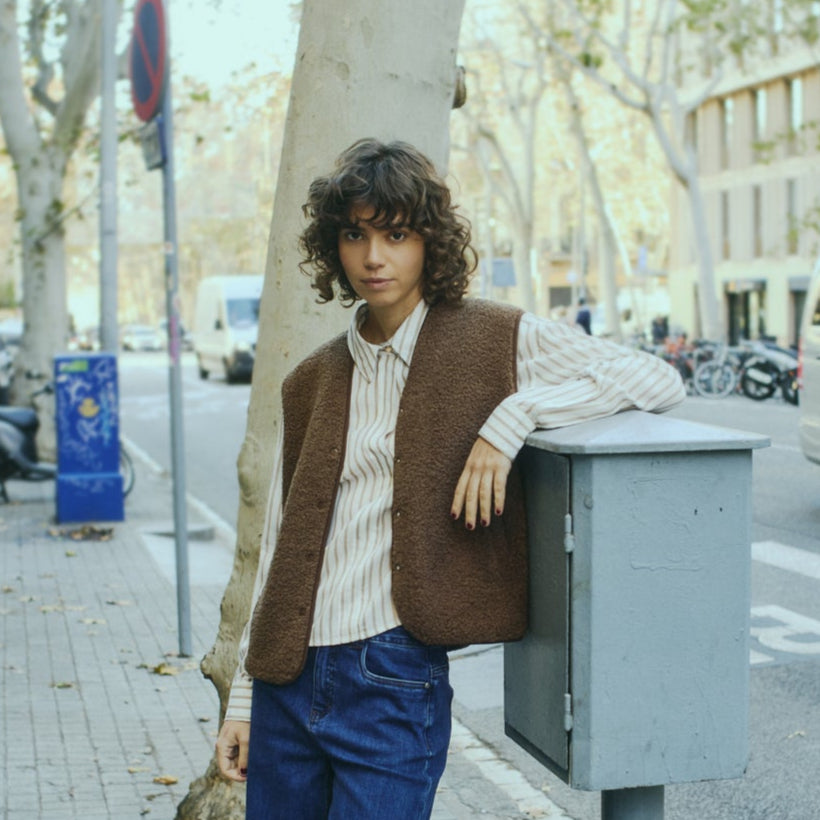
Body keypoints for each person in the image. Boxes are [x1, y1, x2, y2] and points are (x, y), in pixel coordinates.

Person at [215, 138, 686, 819]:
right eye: (355, 235)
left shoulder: (492, 337)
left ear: (428, 240)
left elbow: (655, 378)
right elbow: (280, 547)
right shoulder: (311, 381)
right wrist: (244, 700)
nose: (374, 257)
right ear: (334, 247)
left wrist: (514, 417)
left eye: (396, 234)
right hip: (286, 685)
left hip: (390, 677)